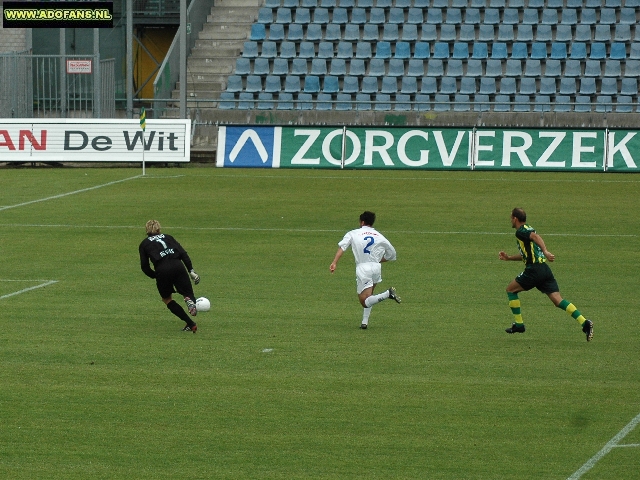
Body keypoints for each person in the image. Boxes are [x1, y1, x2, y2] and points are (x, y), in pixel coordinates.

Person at [499, 208, 593, 341]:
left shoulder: (521, 231)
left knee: (510, 290)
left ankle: (519, 324)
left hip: (534, 270)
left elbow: (535, 237)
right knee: (558, 300)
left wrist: (546, 251)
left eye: (511, 217)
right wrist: (508, 258)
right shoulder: (528, 228)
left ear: (515, 218)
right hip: (544, 269)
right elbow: (527, 254)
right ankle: (585, 323)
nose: (510, 220)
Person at [330, 211, 401, 329]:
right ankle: (364, 322)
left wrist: (334, 262)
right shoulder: (379, 236)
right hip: (376, 267)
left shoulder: (353, 233)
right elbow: (392, 255)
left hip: (363, 268)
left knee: (364, 300)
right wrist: (378, 259)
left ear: (362, 222)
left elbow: (342, 247)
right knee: (370, 296)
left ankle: (387, 294)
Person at [139, 220, 201, 333]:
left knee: (167, 299)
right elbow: (183, 253)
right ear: (158, 229)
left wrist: (155, 275)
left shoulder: (144, 244)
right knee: (187, 293)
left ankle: (191, 324)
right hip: (178, 265)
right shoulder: (168, 237)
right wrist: (191, 270)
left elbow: (144, 266)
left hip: (162, 270)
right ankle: (189, 301)